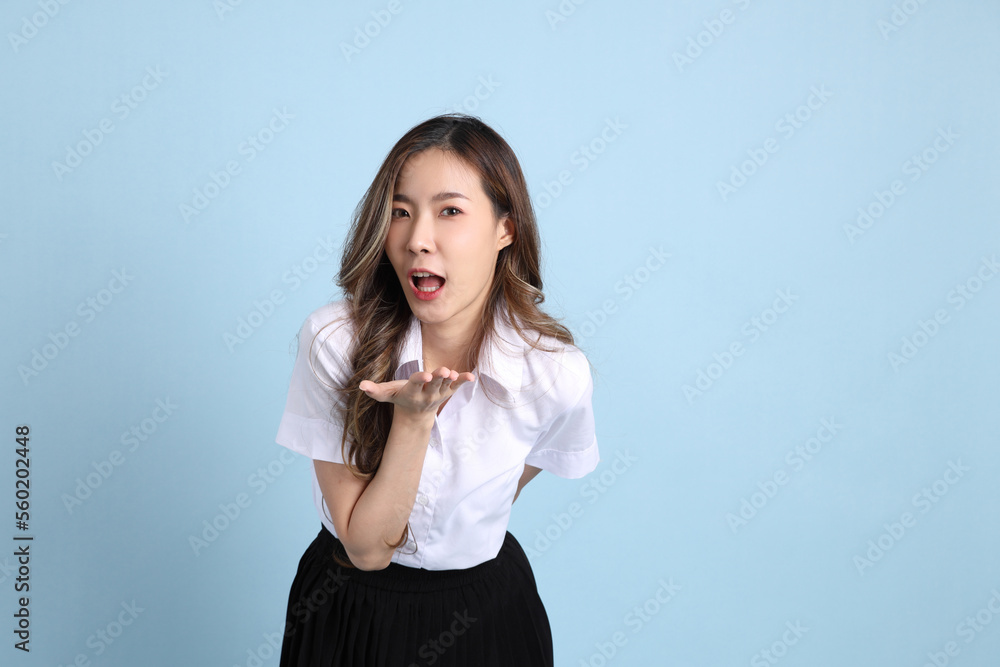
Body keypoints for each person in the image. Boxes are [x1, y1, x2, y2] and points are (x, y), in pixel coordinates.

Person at [274, 113, 600, 666]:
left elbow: (513, 478)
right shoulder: (334, 340)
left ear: (506, 228)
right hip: (347, 608)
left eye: (450, 211)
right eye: (400, 213)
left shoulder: (555, 372)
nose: (417, 239)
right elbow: (366, 549)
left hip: (488, 612)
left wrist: (459, 516)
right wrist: (414, 420)